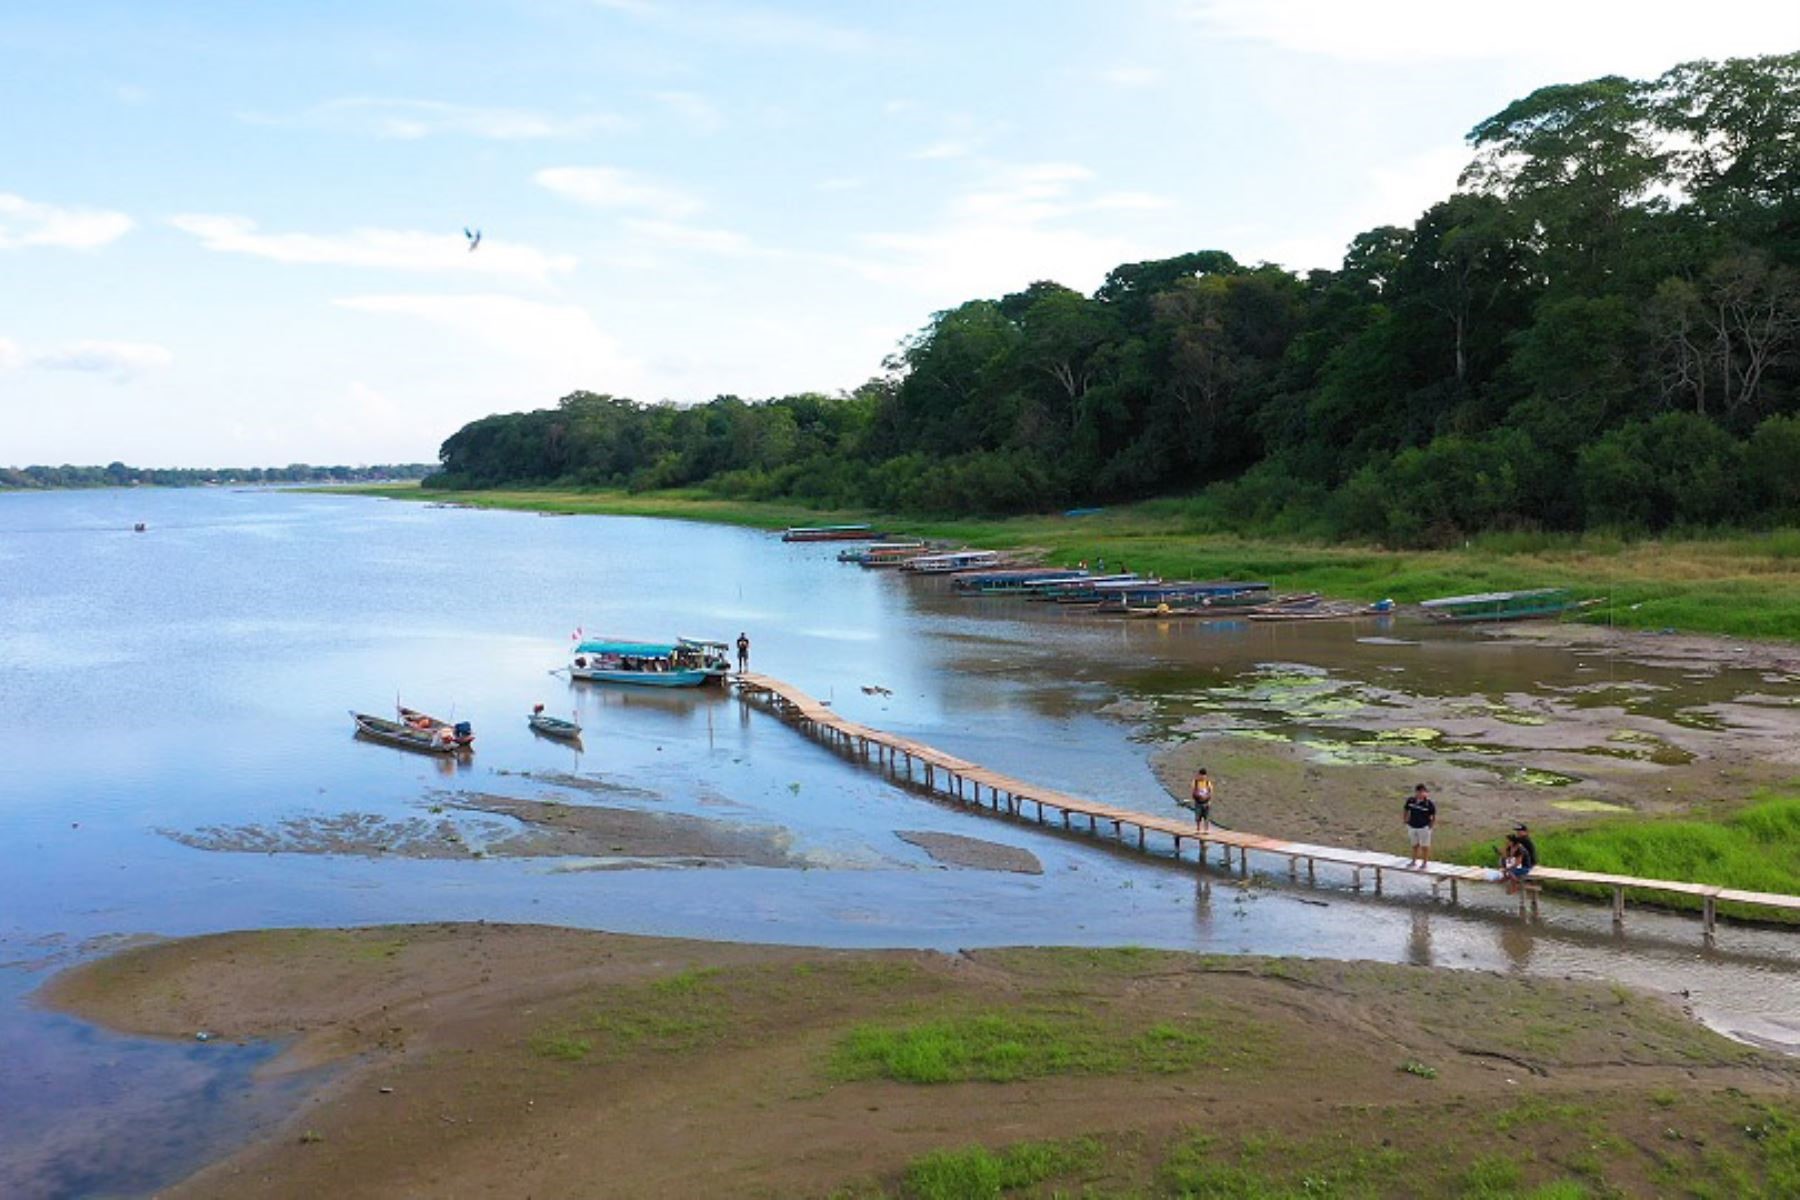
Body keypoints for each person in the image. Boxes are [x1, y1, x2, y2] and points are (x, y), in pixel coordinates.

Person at [1403, 783, 1436, 867]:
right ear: (1416, 792)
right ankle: (1413, 861)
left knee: (1425, 846)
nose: (1421, 794)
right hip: (1412, 826)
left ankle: (1424, 863)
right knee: (1414, 845)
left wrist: (1430, 826)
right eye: (1419, 792)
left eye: (1423, 792)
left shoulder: (1429, 804)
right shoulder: (1411, 801)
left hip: (1423, 827)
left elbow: (1433, 816)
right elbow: (1406, 809)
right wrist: (1405, 819)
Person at [1503, 822, 1537, 893]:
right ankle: (1515, 884)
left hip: (1528, 864)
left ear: (1525, 832)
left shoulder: (1523, 840)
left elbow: (1513, 846)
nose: (1517, 833)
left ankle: (1517, 886)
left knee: (1509, 872)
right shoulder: (1523, 839)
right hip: (1527, 862)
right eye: (1517, 831)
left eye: (1519, 831)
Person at [1189, 768, 1213, 833]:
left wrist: (1208, 799)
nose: (1202, 777)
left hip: (1206, 802)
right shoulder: (1195, 782)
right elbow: (1193, 791)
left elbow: (1210, 792)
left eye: (1204, 775)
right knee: (1198, 816)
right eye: (1201, 775)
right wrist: (1199, 796)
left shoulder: (1208, 782)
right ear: (1198, 775)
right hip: (1198, 802)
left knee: (1206, 816)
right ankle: (1198, 829)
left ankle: (1206, 829)